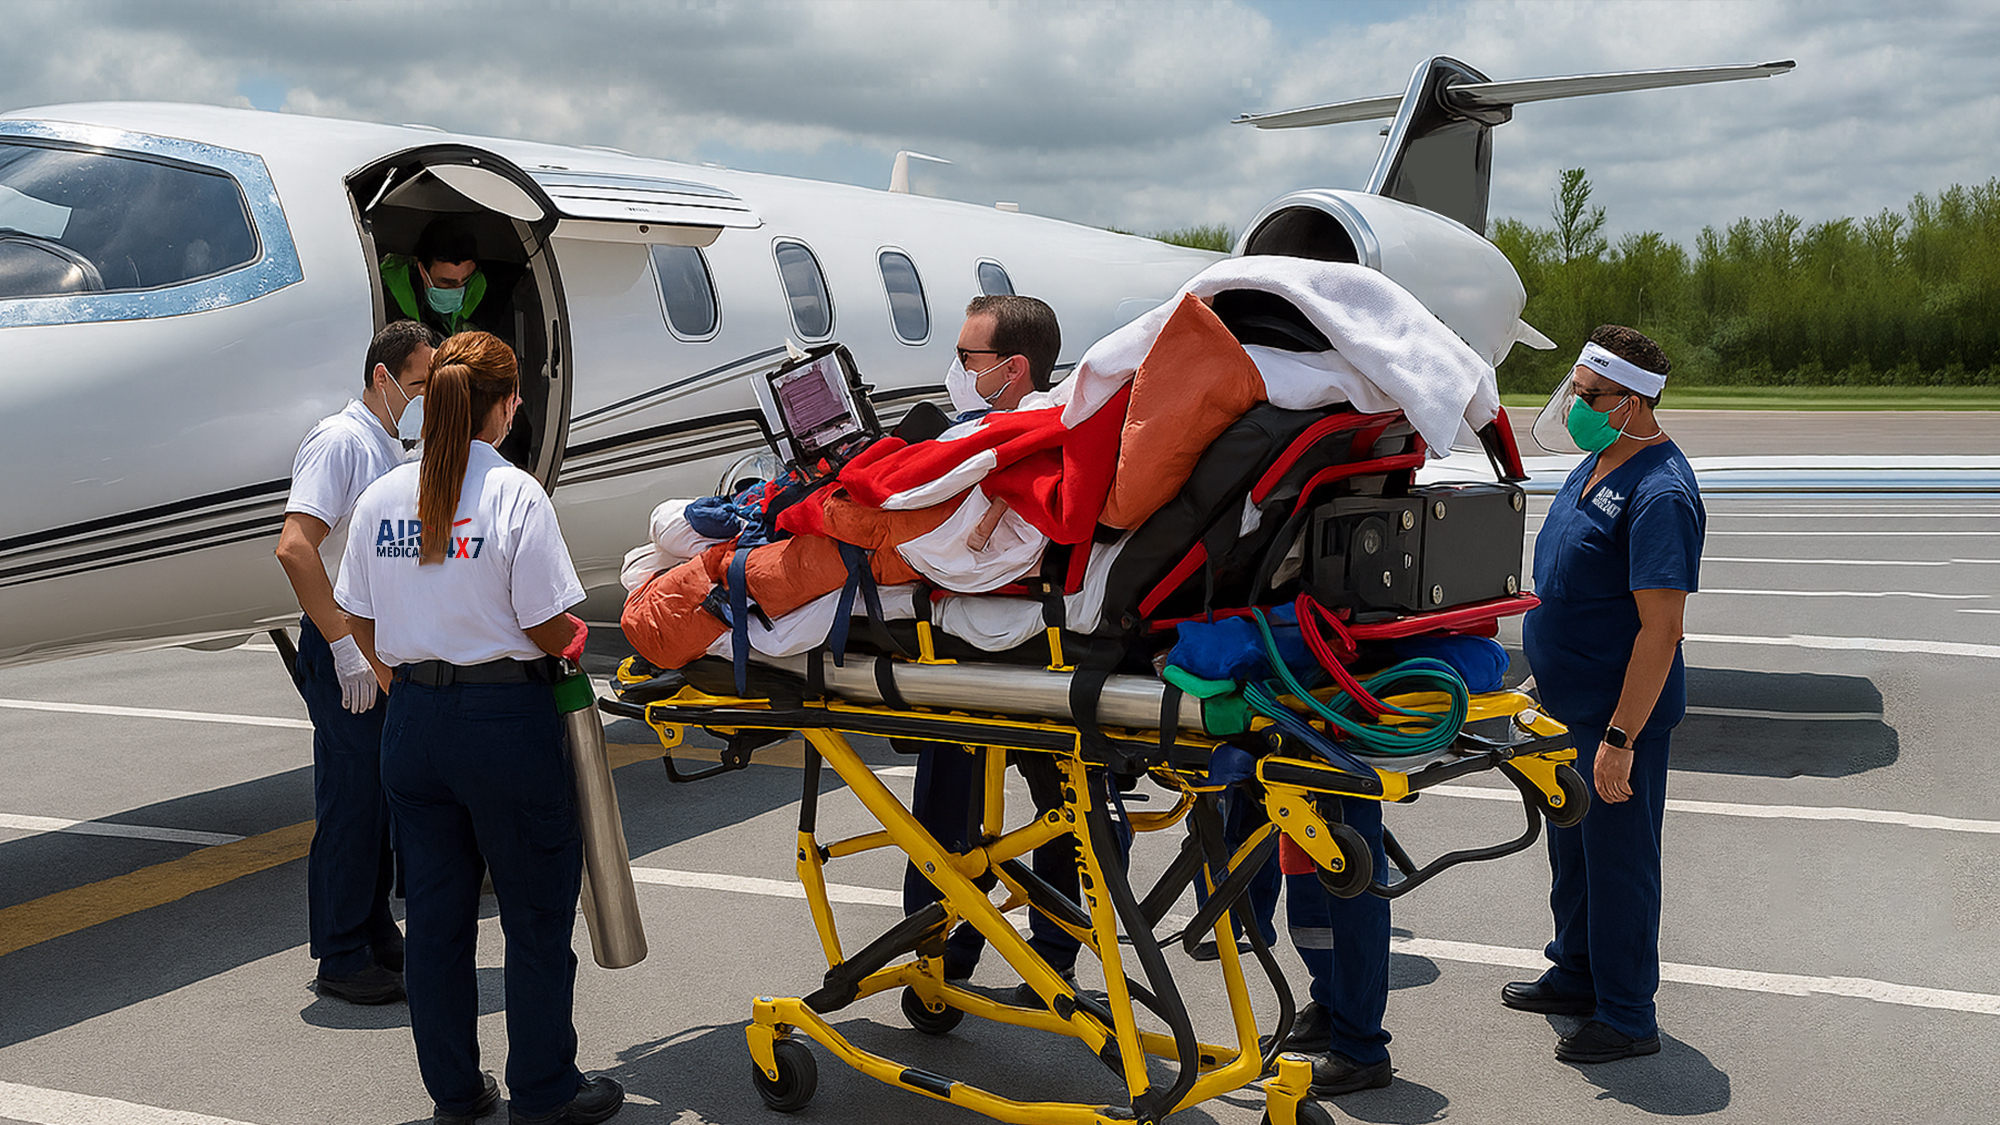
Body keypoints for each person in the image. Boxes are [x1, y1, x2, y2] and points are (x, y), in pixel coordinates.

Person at [335, 332, 622, 1125]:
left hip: (415, 726)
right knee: (534, 913)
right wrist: (578, 643)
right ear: (501, 406)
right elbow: (545, 625)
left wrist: (406, 682)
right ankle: (543, 1089)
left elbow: (356, 614)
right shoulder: (515, 494)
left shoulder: (383, 495)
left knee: (434, 920)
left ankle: (456, 1095)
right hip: (504, 722)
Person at [1507, 324, 1705, 1063]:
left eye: (1591, 397)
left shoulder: (1660, 492)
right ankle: (1577, 971)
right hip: (1567, 703)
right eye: (1575, 391)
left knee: (1619, 864)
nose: (1577, 406)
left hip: (1615, 718)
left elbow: (1662, 630)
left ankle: (1626, 1013)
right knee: (1574, 855)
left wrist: (1621, 738)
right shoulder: (1594, 463)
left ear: (1634, 401)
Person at [900, 296, 1094, 990]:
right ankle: (1053, 950)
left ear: (1013, 368)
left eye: (966, 358)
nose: (956, 369)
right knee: (1062, 806)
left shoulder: (1000, 440)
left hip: (994, 640)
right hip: (1047, 641)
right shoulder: (1064, 427)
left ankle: (940, 943)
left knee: (951, 793)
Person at [275, 319, 437, 1005]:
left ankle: (371, 927)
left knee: (377, 800)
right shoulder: (341, 441)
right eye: (422, 383)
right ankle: (340, 953)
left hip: (378, 645)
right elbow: (295, 546)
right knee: (350, 800)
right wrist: (342, 644)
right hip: (346, 648)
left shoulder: (386, 444)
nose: (426, 396)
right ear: (383, 376)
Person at [381, 216, 492, 337]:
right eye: (447, 282)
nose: (458, 290)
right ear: (423, 271)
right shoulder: (383, 294)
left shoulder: (480, 292)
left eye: (465, 280)